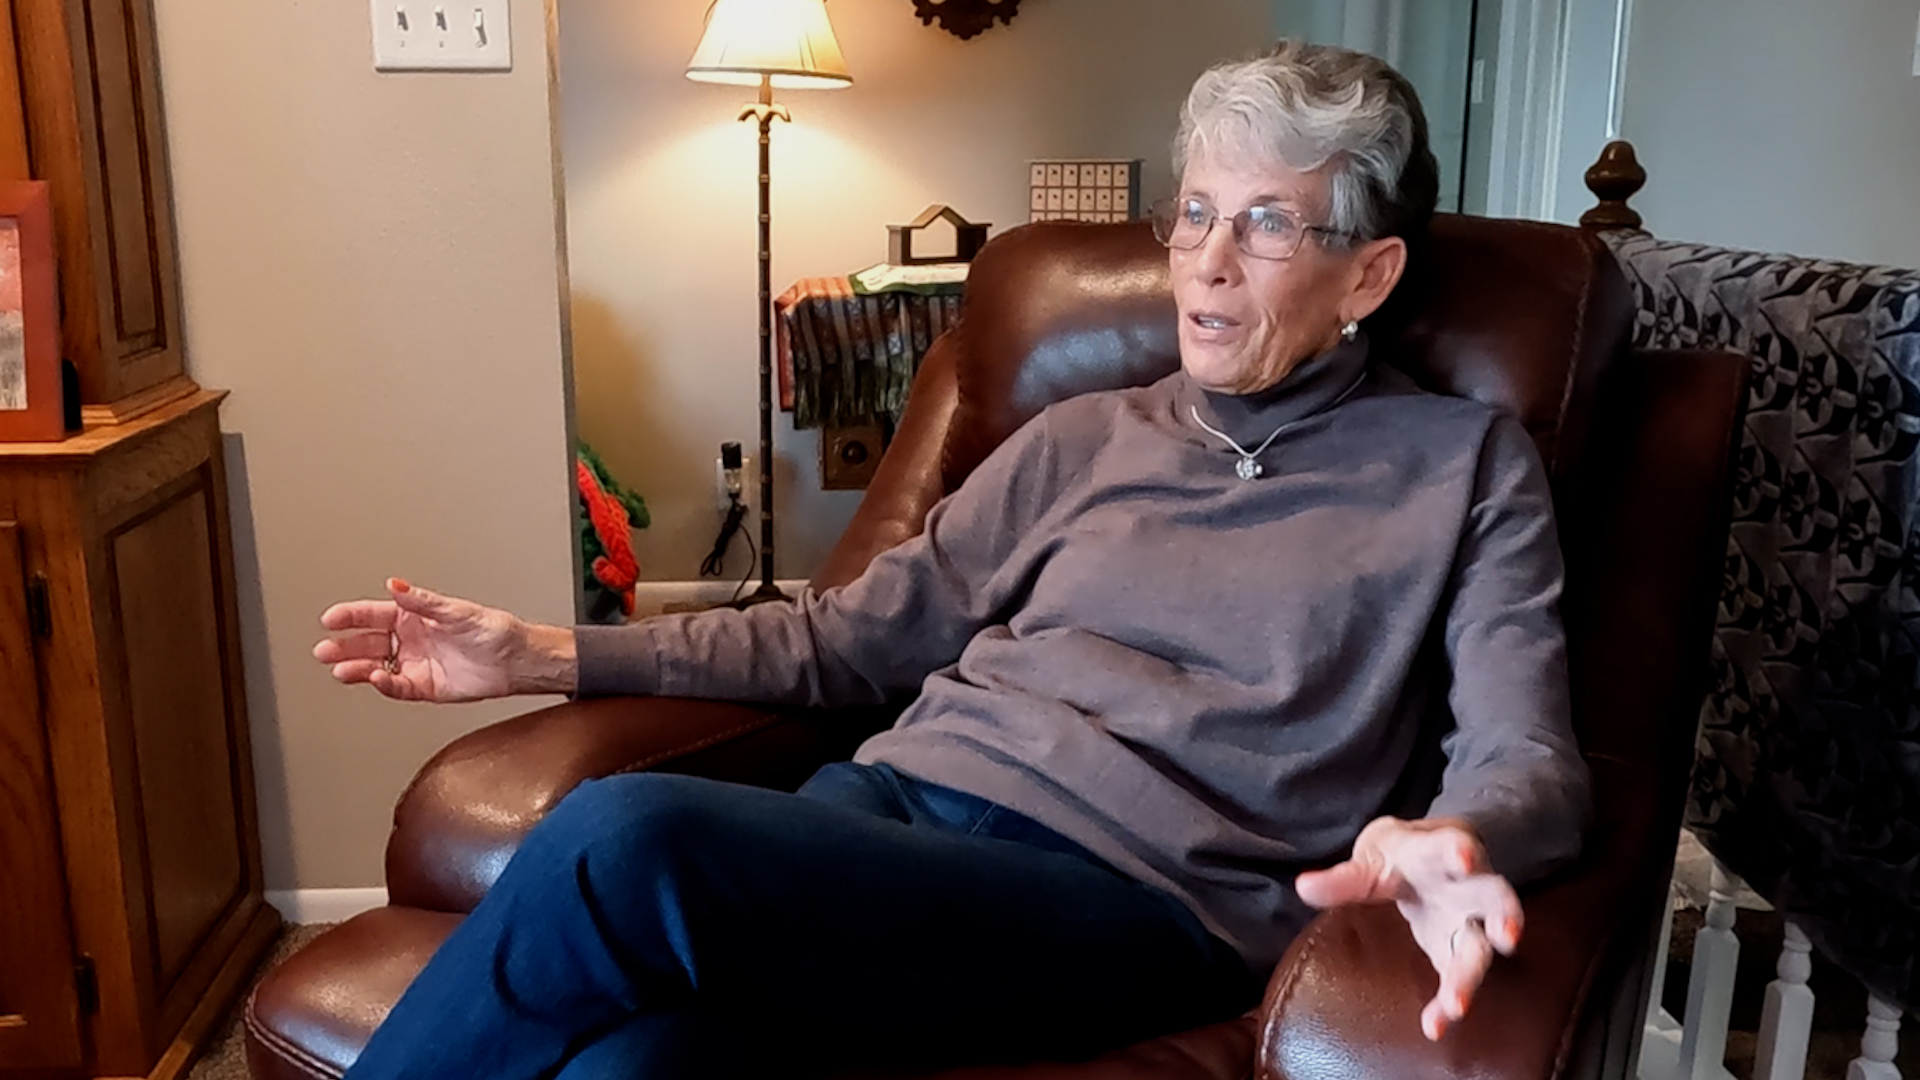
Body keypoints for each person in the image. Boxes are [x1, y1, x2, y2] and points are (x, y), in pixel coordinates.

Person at [314, 39, 1591, 1080]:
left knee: (626, 839)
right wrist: (541, 651)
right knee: (635, 1065)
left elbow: (1526, 749)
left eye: (1265, 225)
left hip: (1134, 897)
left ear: (1368, 274)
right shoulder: (1087, 434)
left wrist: (1459, 836)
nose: (1204, 259)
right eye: (1195, 210)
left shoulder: (1461, 468)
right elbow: (846, 638)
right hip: (892, 815)